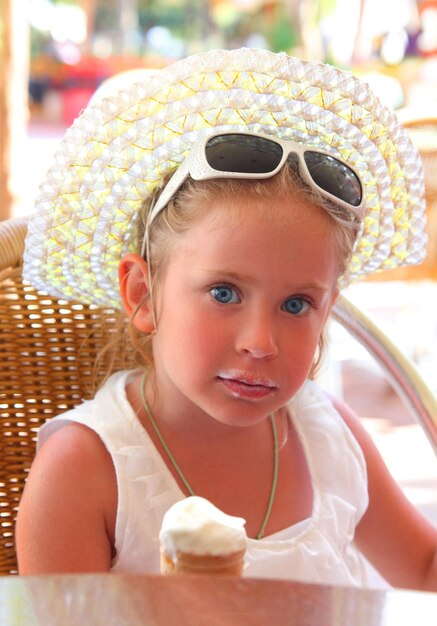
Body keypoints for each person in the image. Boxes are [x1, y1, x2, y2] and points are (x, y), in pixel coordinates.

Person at [16, 47, 437, 590]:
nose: (260, 342)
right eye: (223, 292)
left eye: (296, 305)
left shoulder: (327, 435)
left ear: (327, 309)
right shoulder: (86, 471)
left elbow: (423, 568)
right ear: (144, 293)